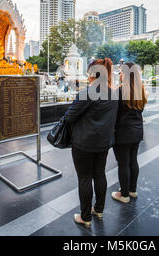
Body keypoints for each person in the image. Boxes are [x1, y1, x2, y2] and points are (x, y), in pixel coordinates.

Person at [63, 58, 118, 228]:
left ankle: (85, 217)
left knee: (84, 178)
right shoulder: (113, 93)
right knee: (99, 174)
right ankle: (98, 209)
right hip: (103, 142)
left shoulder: (88, 92)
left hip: (84, 143)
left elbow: (69, 116)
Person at [112, 62, 147, 203]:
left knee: (123, 163)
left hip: (122, 133)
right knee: (133, 160)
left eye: (121, 72)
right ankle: (132, 190)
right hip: (137, 131)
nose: (120, 74)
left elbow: (114, 113)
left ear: (125, 75)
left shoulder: (119, 91)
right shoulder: (141, 90)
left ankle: (124, 194)